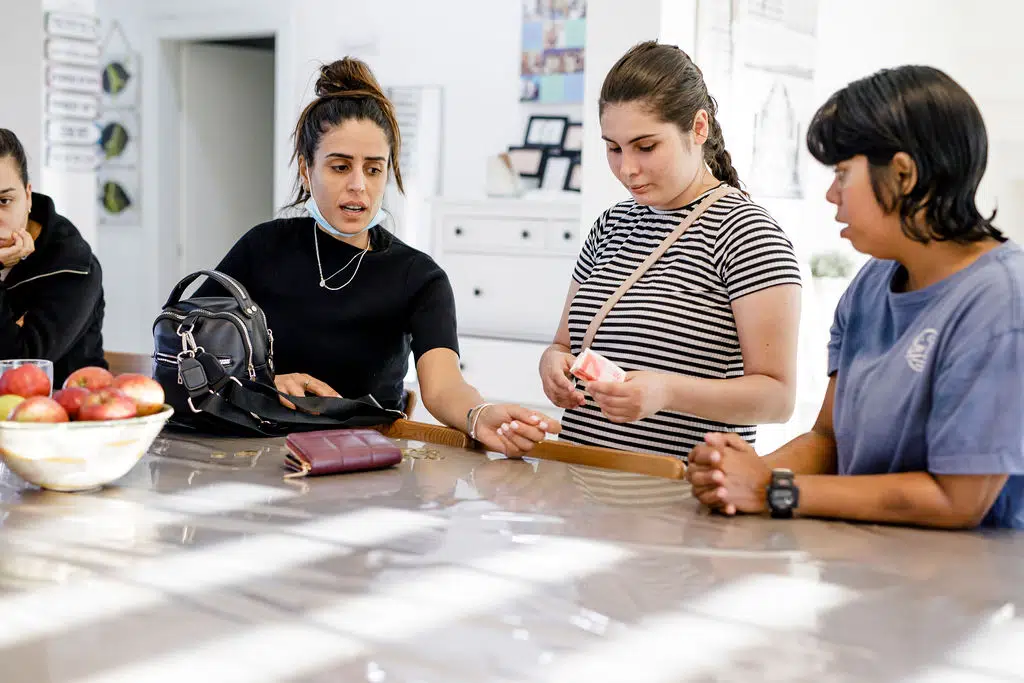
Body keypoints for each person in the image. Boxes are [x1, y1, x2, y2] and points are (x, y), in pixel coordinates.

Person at [686, 65, 1024, 529]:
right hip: (864, 566)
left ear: (903, 174)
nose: (830, 194)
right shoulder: (871, 282)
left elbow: (957, 500)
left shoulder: (1001, 300)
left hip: (962, 587)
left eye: (843, 173)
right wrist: (742, 474)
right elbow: (828, 438)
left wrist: (773, 490)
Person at [197, 57, 558, 456]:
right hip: (260, 454)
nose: (358, 186)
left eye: (373, 170)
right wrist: (263, 380)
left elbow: (442, 387)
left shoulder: (418, 277)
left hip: (362, 462)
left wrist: (478, 413)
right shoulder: (263, 246)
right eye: (339, 167)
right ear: (306, 169)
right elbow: (188, 337)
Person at [539, 41, 802, 460]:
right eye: (613, 147)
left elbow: (778, 398)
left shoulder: (746, 233)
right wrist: (552, 362)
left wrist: (666, 391)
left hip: (681, 501)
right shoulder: (610, 227)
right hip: (582, 486)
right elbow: (564, 344)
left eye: (646, 147)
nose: (627, 168)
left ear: (699, 128)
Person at [0, 128, 107, 386]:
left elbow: (18, 368)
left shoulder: (72, 266)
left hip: (64, 416)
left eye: (4, 201)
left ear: (27, 196)